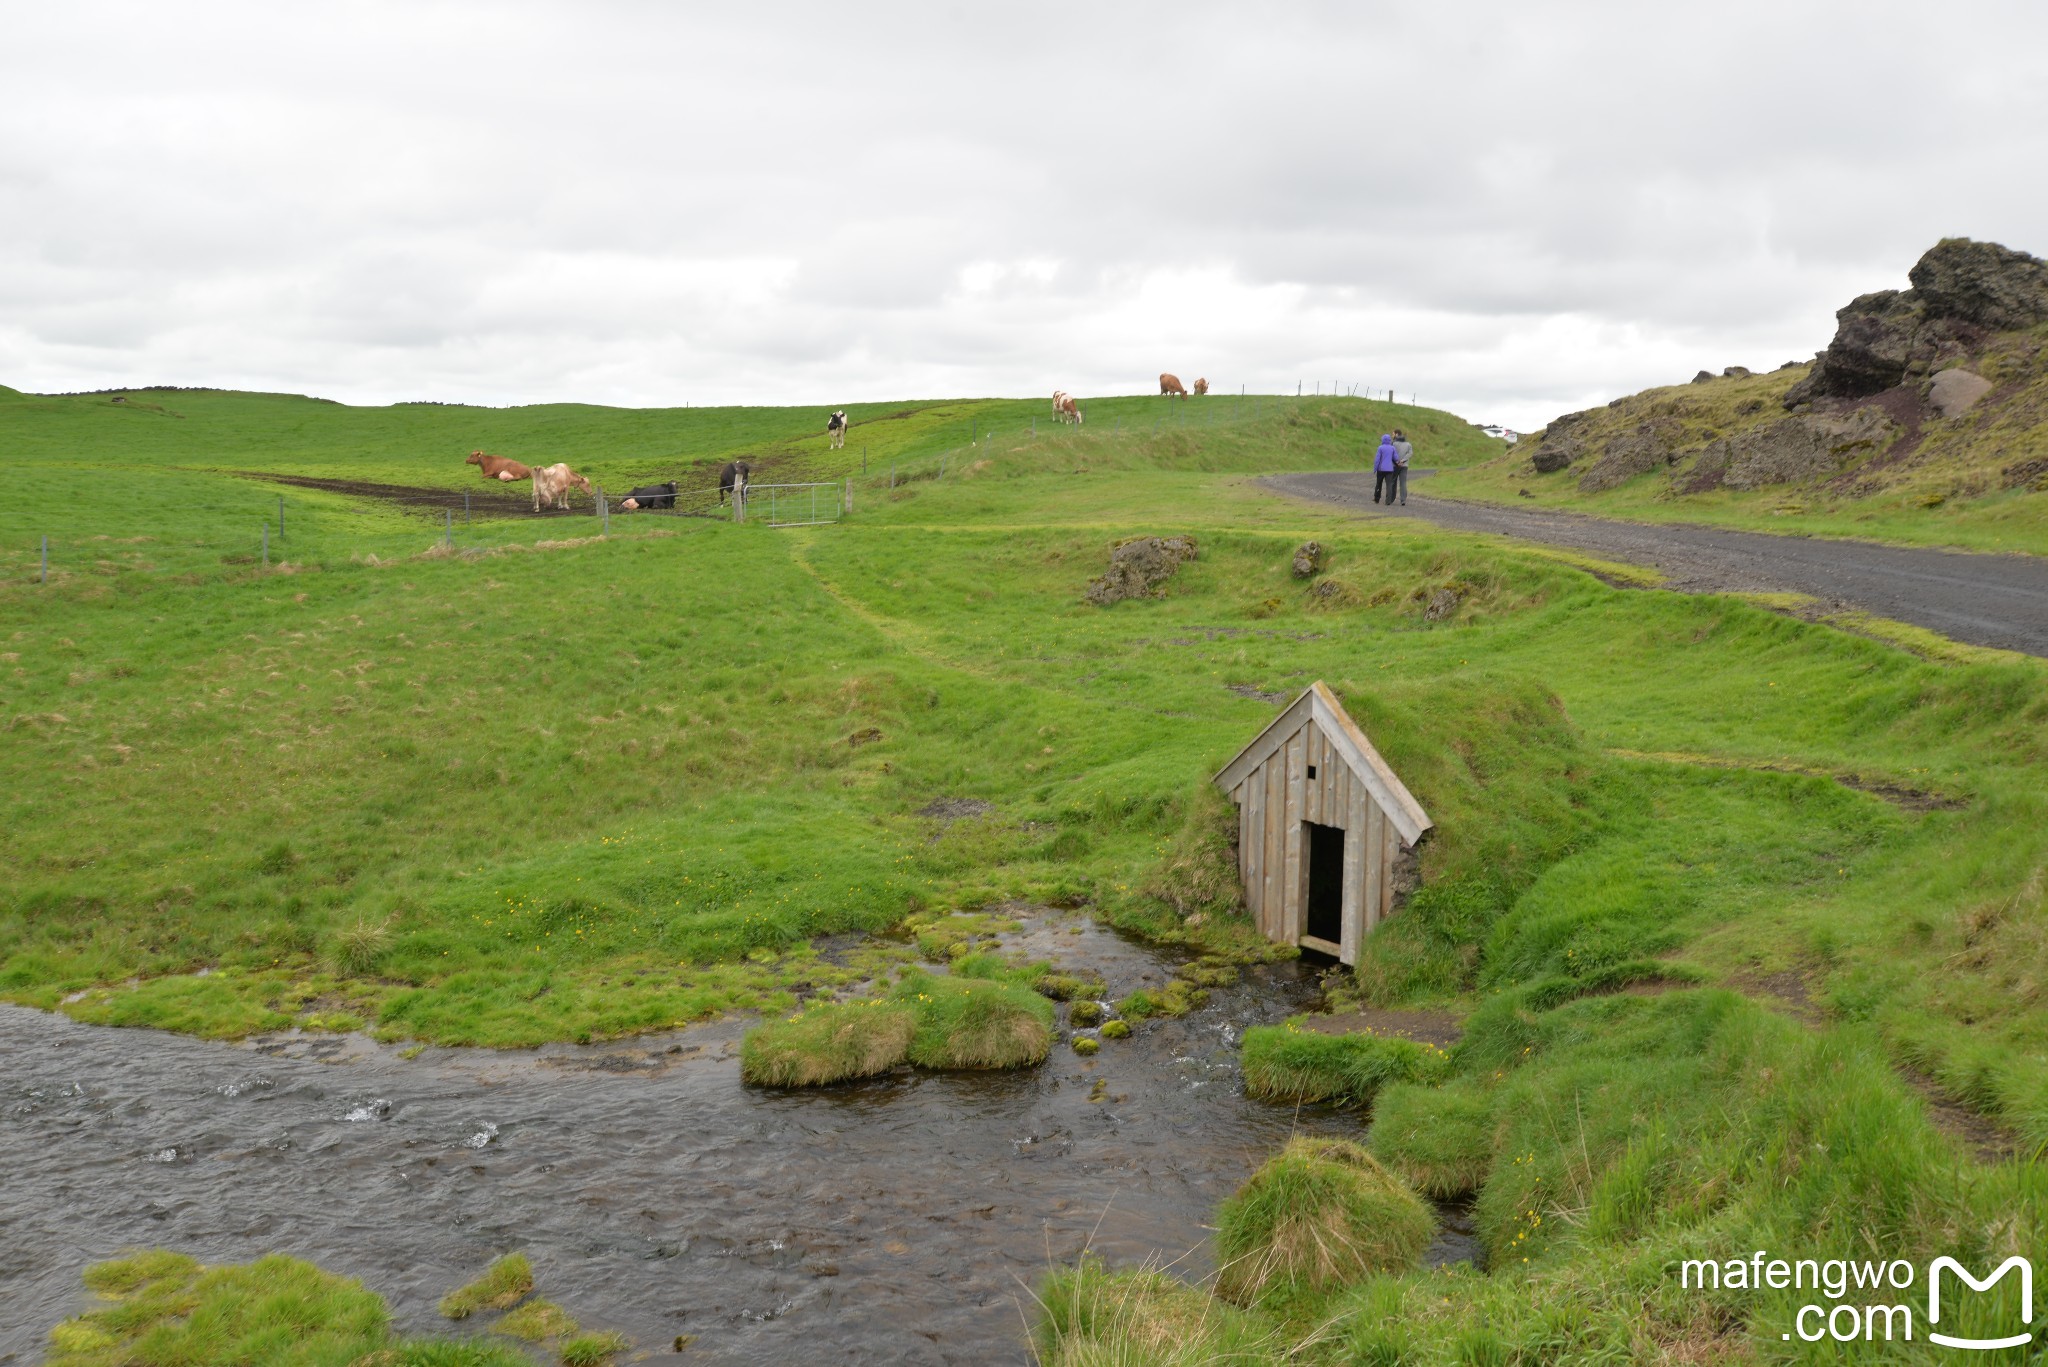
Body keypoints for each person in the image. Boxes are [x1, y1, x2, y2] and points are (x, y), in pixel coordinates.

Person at [1372, 433, 1399, 505]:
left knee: (1379, 484)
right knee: (1389, 485)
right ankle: (1388, 500)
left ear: (1383, 440)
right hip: (1390, 469)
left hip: (1381, 469)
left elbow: (1377, 459)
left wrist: (1375, 468)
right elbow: (1396, 458)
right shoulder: (1392, 448)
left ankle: (1377, 498)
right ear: (1389, 440)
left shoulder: (1380, 448)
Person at [1391, 428, 1414, 505]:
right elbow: (1410, 454)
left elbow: (1392, 454)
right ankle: (1403, 500)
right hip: (1404, 466)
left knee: (1393, 481)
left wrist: (1397, 462)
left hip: (1395, 465)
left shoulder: (1393, 444)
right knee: (1403, 482)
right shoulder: (1408, 444)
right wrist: (1403, 460)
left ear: (1397, 436)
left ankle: (1391, 498)